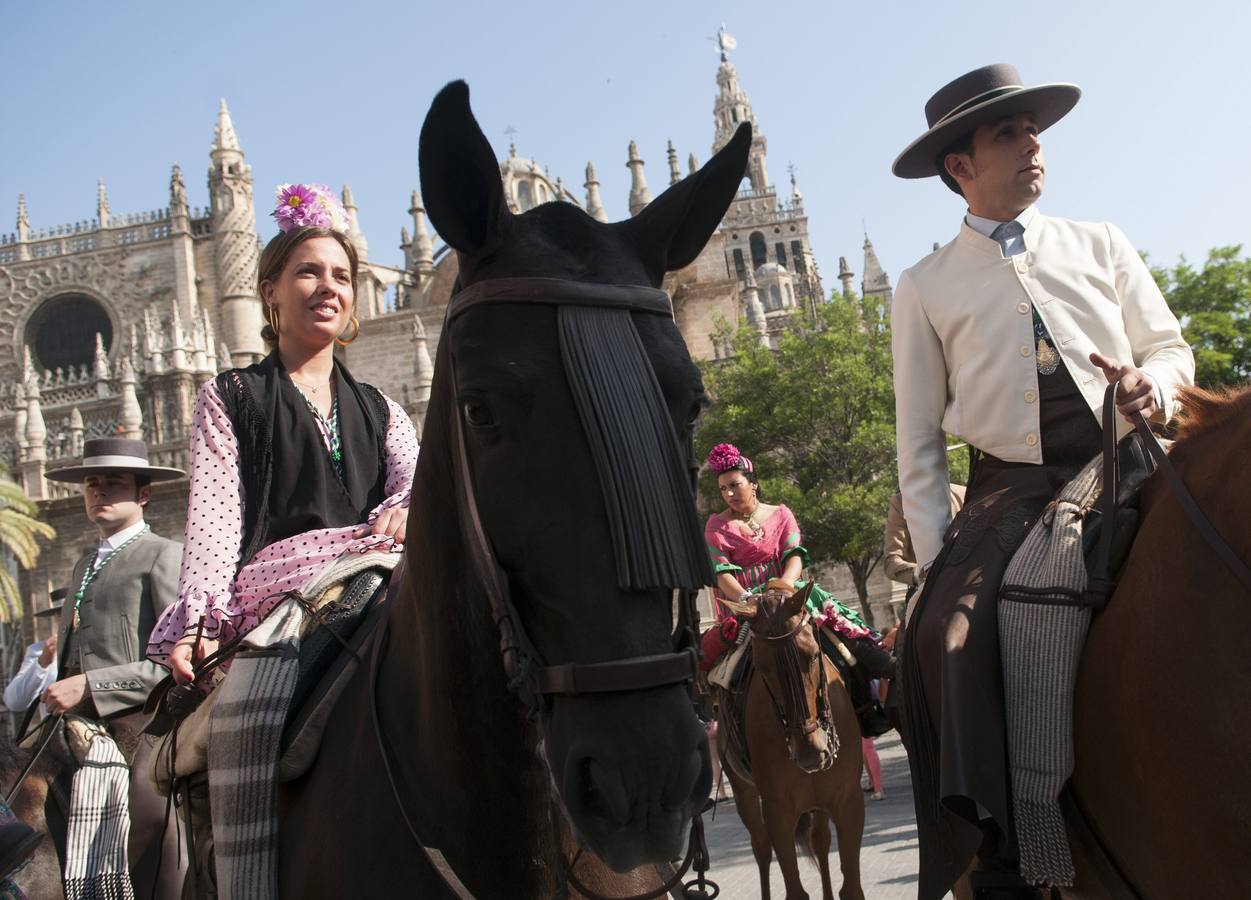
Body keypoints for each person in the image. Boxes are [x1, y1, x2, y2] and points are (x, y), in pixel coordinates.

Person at [890, 64, 1194, 898]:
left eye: (1034, 131)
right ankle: (999, 854)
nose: (1033, 147)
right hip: (1011, 490)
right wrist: (932, 556)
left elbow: (1171, 349)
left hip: (1135, 457)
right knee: (943, 637)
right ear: (959, 166)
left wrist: (1152, 387)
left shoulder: (1100, 240)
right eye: (1008, 135)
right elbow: (916, 441)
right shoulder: (921, 286)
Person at [146, 182, 419, 896]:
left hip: (379, 572)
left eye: (340, 275)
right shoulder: (232, 398)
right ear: (269, 290)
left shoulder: (382, 411)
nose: (326, 286)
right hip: (281, 605)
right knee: (244, 721)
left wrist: (406, 508)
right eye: (307, 271)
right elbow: (213, 518)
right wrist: (200, 623)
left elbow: (420, 483)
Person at [41, 436, 187, 898]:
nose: (99, 492)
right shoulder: (82, 565)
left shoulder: (164, 554)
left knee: (154, 827)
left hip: (145, 728)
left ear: (143, 494)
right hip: (73, 729)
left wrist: (89, 685)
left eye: (114, 483)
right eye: (91, 483)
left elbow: (173, 663)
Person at [700, 443, 891, 677]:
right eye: (722, 489)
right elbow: (721, 573)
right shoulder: (716, 525)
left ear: (753, 485)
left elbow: (795, 555)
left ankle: (872, 671)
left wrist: (783, 589)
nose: (728, 494)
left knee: (830, 628)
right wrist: (748, 599)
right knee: (729, 673)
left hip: (787, 596)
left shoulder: (781, 514)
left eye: (734, 485)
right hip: (747, 605)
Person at [883, 484, 965, 599]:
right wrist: (921, 574)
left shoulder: (964, 493)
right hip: (930, 594)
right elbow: (891, 563)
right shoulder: (901, 502)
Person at [3, 589, 65, 719]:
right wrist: (42, 664)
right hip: (57, 733)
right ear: (56, 619)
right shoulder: (39, 651)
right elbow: (14, 702)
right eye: (60, 615)